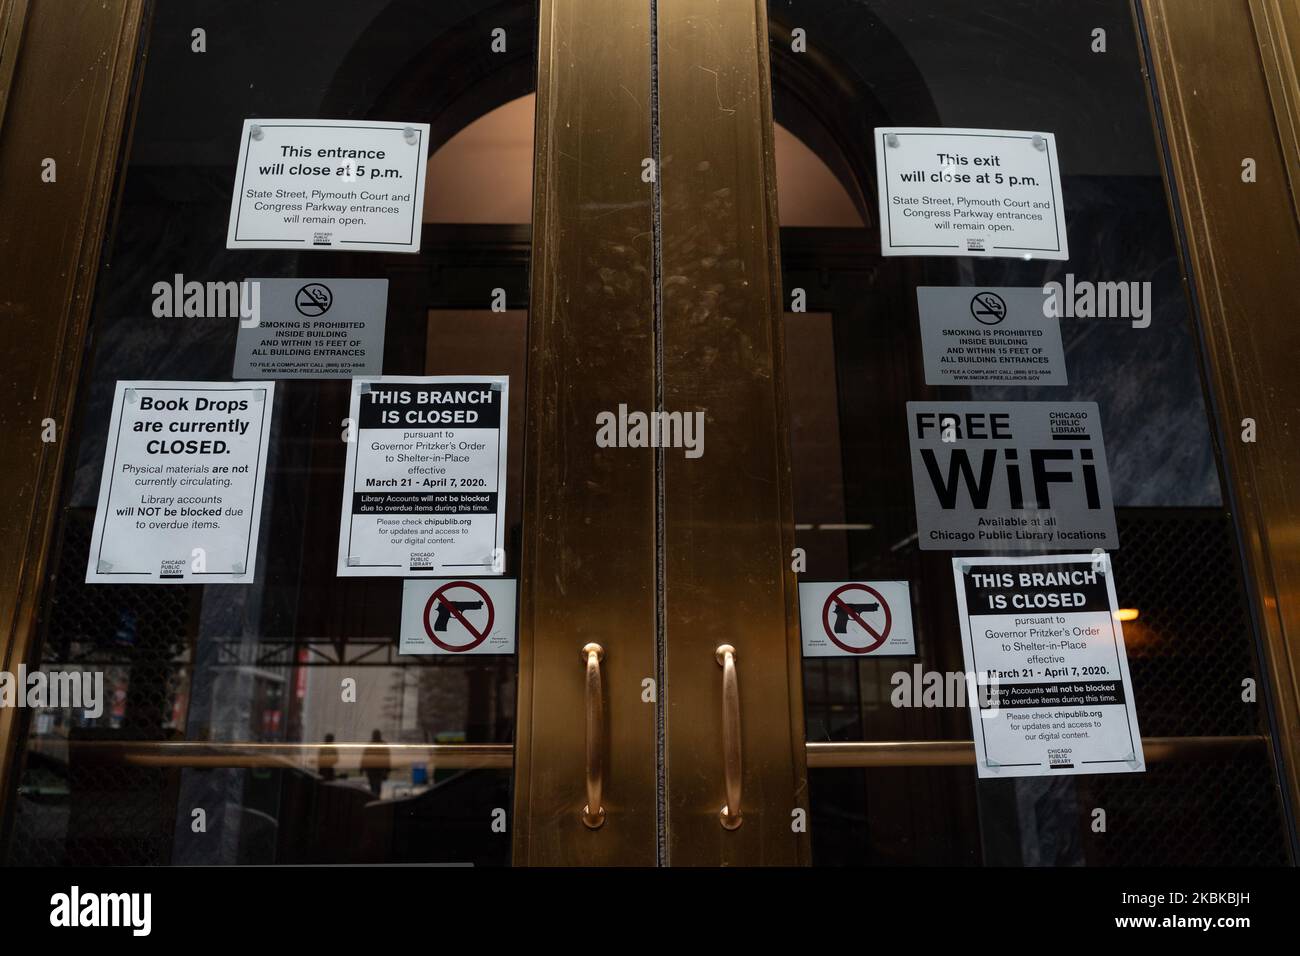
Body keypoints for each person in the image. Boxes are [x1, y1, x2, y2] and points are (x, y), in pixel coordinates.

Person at [362, 729, 390, 797]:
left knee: (374, 787)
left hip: (373, 770)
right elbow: (387, 759)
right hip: (378, 770)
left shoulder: (370, 744)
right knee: (377, 787)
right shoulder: (383, 745)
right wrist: (387, 770)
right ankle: (376, 799)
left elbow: (365, 757)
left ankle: (374, 799)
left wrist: (362, 768)